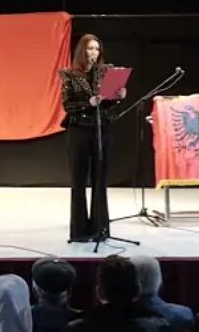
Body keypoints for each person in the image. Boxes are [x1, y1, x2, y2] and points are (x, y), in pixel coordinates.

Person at [59, 34, 126, 242]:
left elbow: (108, 102)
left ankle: (100, 229)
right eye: (90, 49)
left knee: (100, 180)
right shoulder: (69, 74)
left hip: (100, 128)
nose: (94, 53)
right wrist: (87, 103)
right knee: (78, 181)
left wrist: (118, 96)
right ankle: (79, 231)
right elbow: (67, 105)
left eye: (97, 49)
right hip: (79, 130)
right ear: (82, 51)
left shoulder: (105, 72)